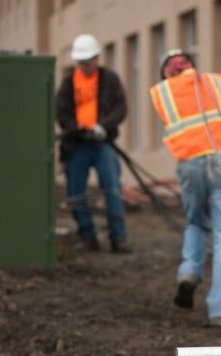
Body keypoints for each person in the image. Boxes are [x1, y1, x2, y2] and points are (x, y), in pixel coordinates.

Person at [150, 49, 221, 328]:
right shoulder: (213, 83)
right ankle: (220, 309)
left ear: (165, 71)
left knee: (196, 222)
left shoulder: (162, 94)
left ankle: (188, 272)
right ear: (191, 67)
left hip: (189, 165)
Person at [56, 33, 132, 253]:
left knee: (112, 189)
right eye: (81, 63)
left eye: (88, 62)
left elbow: (120, 108)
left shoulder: (109, 79)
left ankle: (118, 238)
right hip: (77, 145)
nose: (85, 67)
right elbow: (62, 112)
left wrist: (103, 126)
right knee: (76, 192)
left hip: (102, 143)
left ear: (97, 58)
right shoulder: (69, 82)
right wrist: (77, 129)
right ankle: (87, 235)